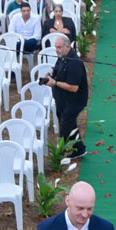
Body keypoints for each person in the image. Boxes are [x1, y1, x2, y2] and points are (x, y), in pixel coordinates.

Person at [45, 32, 89, 164]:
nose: (56, 50)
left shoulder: (75, 63)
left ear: (68, 47)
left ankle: (58, 157)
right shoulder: (62, 58)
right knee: (70, 124)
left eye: (59, 47)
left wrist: (55, 83)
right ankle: (80, 148)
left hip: (74, 101)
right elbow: (57, 72)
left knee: (64, 128)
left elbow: (74, 87)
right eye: (56, 47)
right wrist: (50, 76)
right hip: (62, 100)